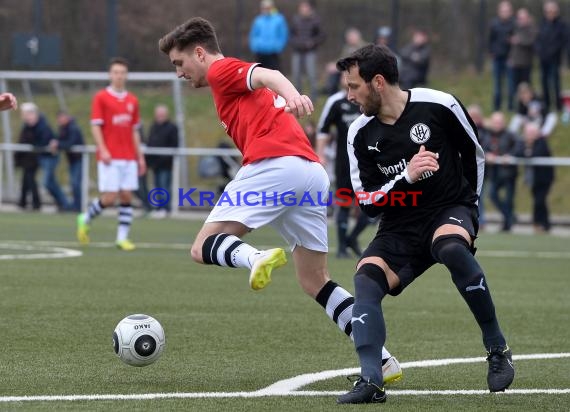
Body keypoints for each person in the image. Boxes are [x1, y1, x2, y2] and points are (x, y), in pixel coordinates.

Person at [158, 17, 402, 383]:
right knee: (315, 280)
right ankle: (382, 359)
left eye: (179, 63)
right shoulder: (224, 84)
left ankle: (255, 256)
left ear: (199, 52)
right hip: (309, 173)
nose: (179, 72)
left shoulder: (221, 69)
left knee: (202, 247)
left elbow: (266, 74)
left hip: (276, 165)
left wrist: (292, 95)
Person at [335, 44, 514, 404]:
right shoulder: (359, 133)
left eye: (354, 86)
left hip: (449, 208)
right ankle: (372, 380)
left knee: (450, 247)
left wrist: (472, 208)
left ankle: (497, 349)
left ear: (379, 82)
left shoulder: (439, 105)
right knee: (365, 278)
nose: (349, 95)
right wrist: (405, 178)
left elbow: (475, 155)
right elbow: (367, 202)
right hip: (399, 226)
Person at [76, 57, 146, 251]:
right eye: (115, 72)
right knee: (109, 198)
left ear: (126, 75)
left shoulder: (133, 100)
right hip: (110, 157)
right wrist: (103, 149)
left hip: (129, 156)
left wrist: (140, 156)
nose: (119, 76)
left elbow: (134, 130)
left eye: (122, 73)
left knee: (126, 196)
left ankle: (122, 238)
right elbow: (96, 126)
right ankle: (86, 217)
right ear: (110, 74)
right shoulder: (101, 97)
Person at [317, 77, 370, 258]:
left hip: (370, 162)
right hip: (344, 163)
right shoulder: (336, 102)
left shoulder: (370, 100)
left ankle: (352, 238)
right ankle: (341, 248)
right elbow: (323, 129)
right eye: (345, 76)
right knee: (344, 203)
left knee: (376, 205)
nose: (348, 80)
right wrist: (320, 154)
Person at [20, 102, 70, 211]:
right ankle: (64, 204)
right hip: (41, 157)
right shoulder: (28, 126)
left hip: (50, 157)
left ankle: (64, 203)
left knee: (47, 182)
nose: (25, 117)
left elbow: (44, 142)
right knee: (48, 182)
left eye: (27, 114)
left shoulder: (42, 126)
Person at [486, 111, 521, 232]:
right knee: (492, 194)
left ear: (504, 123)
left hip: (509, 173)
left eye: (499, 122)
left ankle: (507, 224)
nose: (497, 124)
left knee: (509, 199)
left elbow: (518, 147)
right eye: (495, 122)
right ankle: (510, 217)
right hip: (494, 172)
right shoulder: (488, 135)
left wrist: (509, 156)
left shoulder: (510, 135)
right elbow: (481, 148)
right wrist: (487, 155)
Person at [520, 122, 555, 233]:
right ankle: (545, 224)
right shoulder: (525, 143)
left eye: (531, 133)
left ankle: (538, 223)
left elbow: (535, 154)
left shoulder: (541, 142)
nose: (529, 135)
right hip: (534, 179)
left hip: (544, 179)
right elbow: (519, 152)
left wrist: (528, 150)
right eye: (527, 133)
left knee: (539, 201)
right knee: (540, 201)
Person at [146, 104, 179, 218]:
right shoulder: (154, 127)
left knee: (164, 186)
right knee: (157, 186)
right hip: (155, 164)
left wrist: (163, 159)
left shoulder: (172, 127)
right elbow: (150, 142)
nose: (159, 116)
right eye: (158, 114)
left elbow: (174, 145)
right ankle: (158, 208)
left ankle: (165, 209)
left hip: (166, 164)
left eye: (162, 114)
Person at [289, 0, 325, 101]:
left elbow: (321, 36)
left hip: (310, 52)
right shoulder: (295, 20)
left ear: (310, 8)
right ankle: (296, 98)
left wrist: (312, 42)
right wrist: (296, 43)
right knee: (296, 75)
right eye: (301, 7)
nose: (303, 9)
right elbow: (291, 35)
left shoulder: (316, 20)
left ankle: (314, 97)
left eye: (305, 7)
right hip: (297, 51)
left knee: (312, 75)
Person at [536, 1, 568, 113]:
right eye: (548, 11)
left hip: (555, 58)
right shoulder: (542, 23)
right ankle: (547, 104)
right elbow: (538, 39)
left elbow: (564, 41)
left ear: (556, 11)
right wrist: (539, 51)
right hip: (543, 59)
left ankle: (558, 106)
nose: (550, 13)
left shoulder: (561, 24)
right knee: (544, 83)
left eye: (552, 11)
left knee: (555, 83)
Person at [506, 8, 537, 111]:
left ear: (528, 18)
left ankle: (527, 107)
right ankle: (515, 107)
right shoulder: (515, 28)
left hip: (525, 64)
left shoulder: (531, 29)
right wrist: (510, 58)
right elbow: (510, 44)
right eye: (519, 18)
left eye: (523, 18)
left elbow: (531, 42)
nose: (521, 20)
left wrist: (519, 40)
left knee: (526, 87)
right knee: (513, 88)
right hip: (514, 63)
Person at [467, 104, 491, 228]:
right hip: (467, 169)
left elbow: (484, 148)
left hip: (481, 169)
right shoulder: (464, 129)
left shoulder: (485, 131)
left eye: (476, 117)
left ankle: (480, 221)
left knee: (480, 194)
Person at [488, 1, 515, 111]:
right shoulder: (494, 23)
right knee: (497, 85)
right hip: (497, 58)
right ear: (499, 11)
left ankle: (510, 107)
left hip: (510, 58)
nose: (505, 13)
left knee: (510, 85)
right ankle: (497, 107)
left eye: (507, 11)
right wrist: (492, 52)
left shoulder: (514, 24)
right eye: (503, 11)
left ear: (510, 12)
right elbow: (490, 40)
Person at [56, 111, 85, 212]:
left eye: (61, 118)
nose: (59, 120)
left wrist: (58, 145)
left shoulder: (73, 128)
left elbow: (70, 143)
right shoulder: (63, 128)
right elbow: (60, 139)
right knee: (73, 183)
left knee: (76, 183)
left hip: (78, 159)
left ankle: (78, 206)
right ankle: (75, 205)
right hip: (72, 160)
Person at [248, 0, 288, 71]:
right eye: (264, 8)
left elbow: (283, 35)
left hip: (273, 53)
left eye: (268, 7)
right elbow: (253, 35)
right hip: (260, 52)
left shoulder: (279, 19)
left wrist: (278, 46)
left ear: (272, 8)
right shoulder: (258, 20)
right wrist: (255, 46)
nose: (266, 9)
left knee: (274, 75)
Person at [16, 102, 42, 211]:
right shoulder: (26, 126)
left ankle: (36, 203)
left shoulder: (38, 126)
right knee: (26, 181)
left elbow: (39, 141)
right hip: (26, 159)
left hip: (33, 159)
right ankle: (23, 202)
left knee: (30, 181)